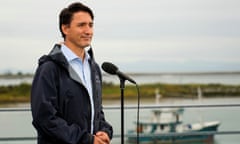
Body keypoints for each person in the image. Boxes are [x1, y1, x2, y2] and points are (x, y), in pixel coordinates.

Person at [31, 2, 113, 144]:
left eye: (90, 25)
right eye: (81, 25)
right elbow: (45, 119)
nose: (88, 31)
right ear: (65, 29)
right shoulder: (49, 68)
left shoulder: (94, 68)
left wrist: (105, 131)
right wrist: (86, 140)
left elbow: (96, 112)